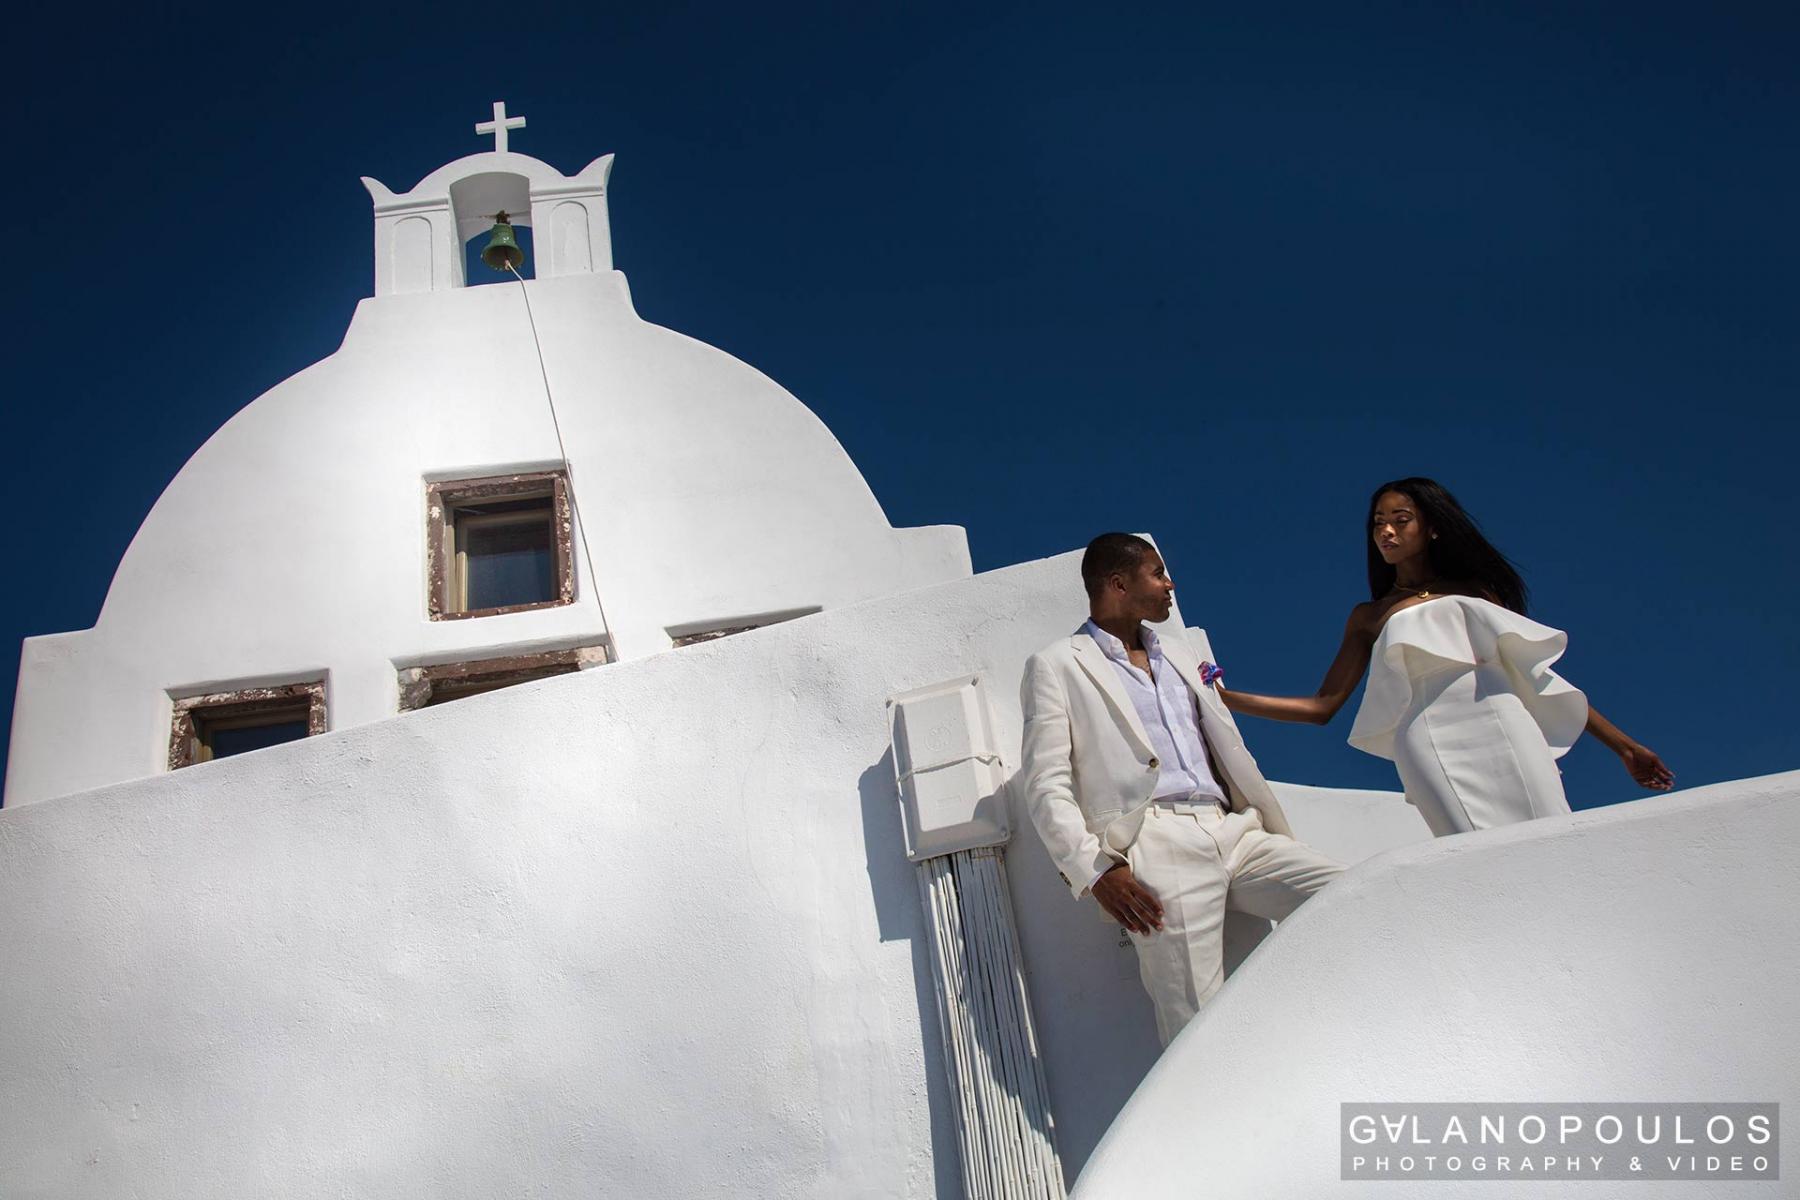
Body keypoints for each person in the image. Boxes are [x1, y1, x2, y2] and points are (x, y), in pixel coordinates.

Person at [1019, 533, 1344, 1046]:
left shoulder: (1182, 654)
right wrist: (1094, 869)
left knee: (1348, 895)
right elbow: (1046, 782)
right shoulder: (1058, 664)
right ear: (1119, 583)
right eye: (1157, 572)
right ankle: (1215, 1124)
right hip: (1156, 843)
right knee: (1196, 1023)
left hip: (1236, 830)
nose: (1171, 583)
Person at [1217, 477, 1673, 836]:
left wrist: (1626, 748)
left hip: (1504, 723)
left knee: (1552, 831)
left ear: (1432, 527)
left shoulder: (1477, 593)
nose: (1386, 531)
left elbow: (1537, 678)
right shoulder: (1369, 616)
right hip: (1428, 738)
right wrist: (1222, 697)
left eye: (1400, 519)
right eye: (1378, 522)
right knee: (1472, 852)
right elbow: (1322, 707)